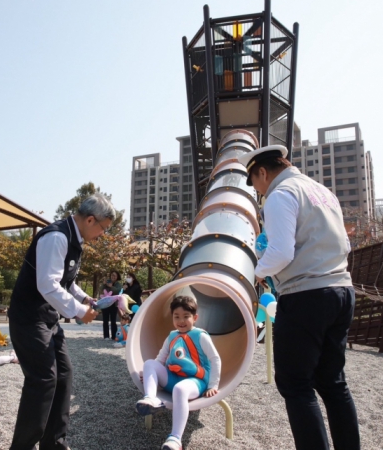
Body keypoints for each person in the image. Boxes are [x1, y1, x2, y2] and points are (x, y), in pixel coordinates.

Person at [239, 144, 360, 450]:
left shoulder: (281, 194)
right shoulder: (323, 192)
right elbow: (345, 244)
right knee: (333, 382)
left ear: (262, 172)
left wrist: (256, 272)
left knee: (295, 383)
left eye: (254, 183)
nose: (257, 190)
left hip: (306, 295)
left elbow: (281, 252)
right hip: (342, 290)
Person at [8, 193, 112, 450]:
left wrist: (85, 298)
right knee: (43, 380)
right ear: (90, 220)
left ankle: (54, 444)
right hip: (29, 318)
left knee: (64, 376)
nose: (103, 234)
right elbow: (48, 284)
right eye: (104, 228)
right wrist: (80, 311)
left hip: (48, 319)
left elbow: (67, 282)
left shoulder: (74, 239)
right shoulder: (56, 237)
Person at [135, 295, 221, 450]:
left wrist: (212, 385)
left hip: (195, 380)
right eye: (177, 316)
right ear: (172, 318)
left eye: (186, 316)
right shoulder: (172, 336)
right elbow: (160, 359)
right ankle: (151, 398)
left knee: (180, 389)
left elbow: (215, 359)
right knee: (149, 363)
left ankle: (175, 438)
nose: (181, 321)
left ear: (195, 318)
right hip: (173, 377)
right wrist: (150, 374)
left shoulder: (200, 336)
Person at [100, 270, 122, 340]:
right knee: (105, 320)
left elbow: (118, 291)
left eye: (115, 276)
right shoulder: (107, 281)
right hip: (105, 303)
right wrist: (104, 284)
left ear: (117, 277)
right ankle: (106, 336)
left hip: (113, 304)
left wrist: (111, 286)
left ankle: (114, 336)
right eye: (112, 275)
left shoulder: (118, 284)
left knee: (113, 321)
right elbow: (100, 290)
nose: (113, 277)